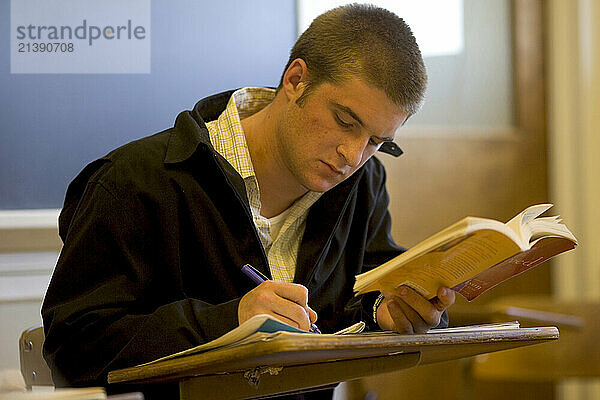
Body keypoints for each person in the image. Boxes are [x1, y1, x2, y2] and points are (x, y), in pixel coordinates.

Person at [42, 4, 455, 399]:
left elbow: (354, 304)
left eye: (376, 142)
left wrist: (386, 313)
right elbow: (73, 348)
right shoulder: (133, 182)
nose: (352, 155)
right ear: (295, 80)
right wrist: (231, 322)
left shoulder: (364, 183)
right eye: (344, 122)